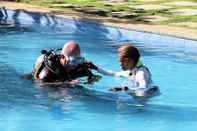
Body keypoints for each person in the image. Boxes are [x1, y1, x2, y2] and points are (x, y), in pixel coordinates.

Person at [91, 44, 159, 98]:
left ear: (129, 61)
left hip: (146, 95)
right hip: (136, 93)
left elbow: (143, 88)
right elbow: (113, 74)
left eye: (121, 61)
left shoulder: (141, 72)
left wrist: (123, 89)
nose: (119, 64)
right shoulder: (130, 71)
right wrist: (95, 68)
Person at [32, 41, 100, 84]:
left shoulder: (76, 65)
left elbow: (95, 78)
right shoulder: (47, 72)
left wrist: (91, 79)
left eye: (78, 60)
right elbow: (40, 86)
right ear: (62, 57)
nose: (75, 65)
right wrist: (66, 83)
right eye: (72, 61)